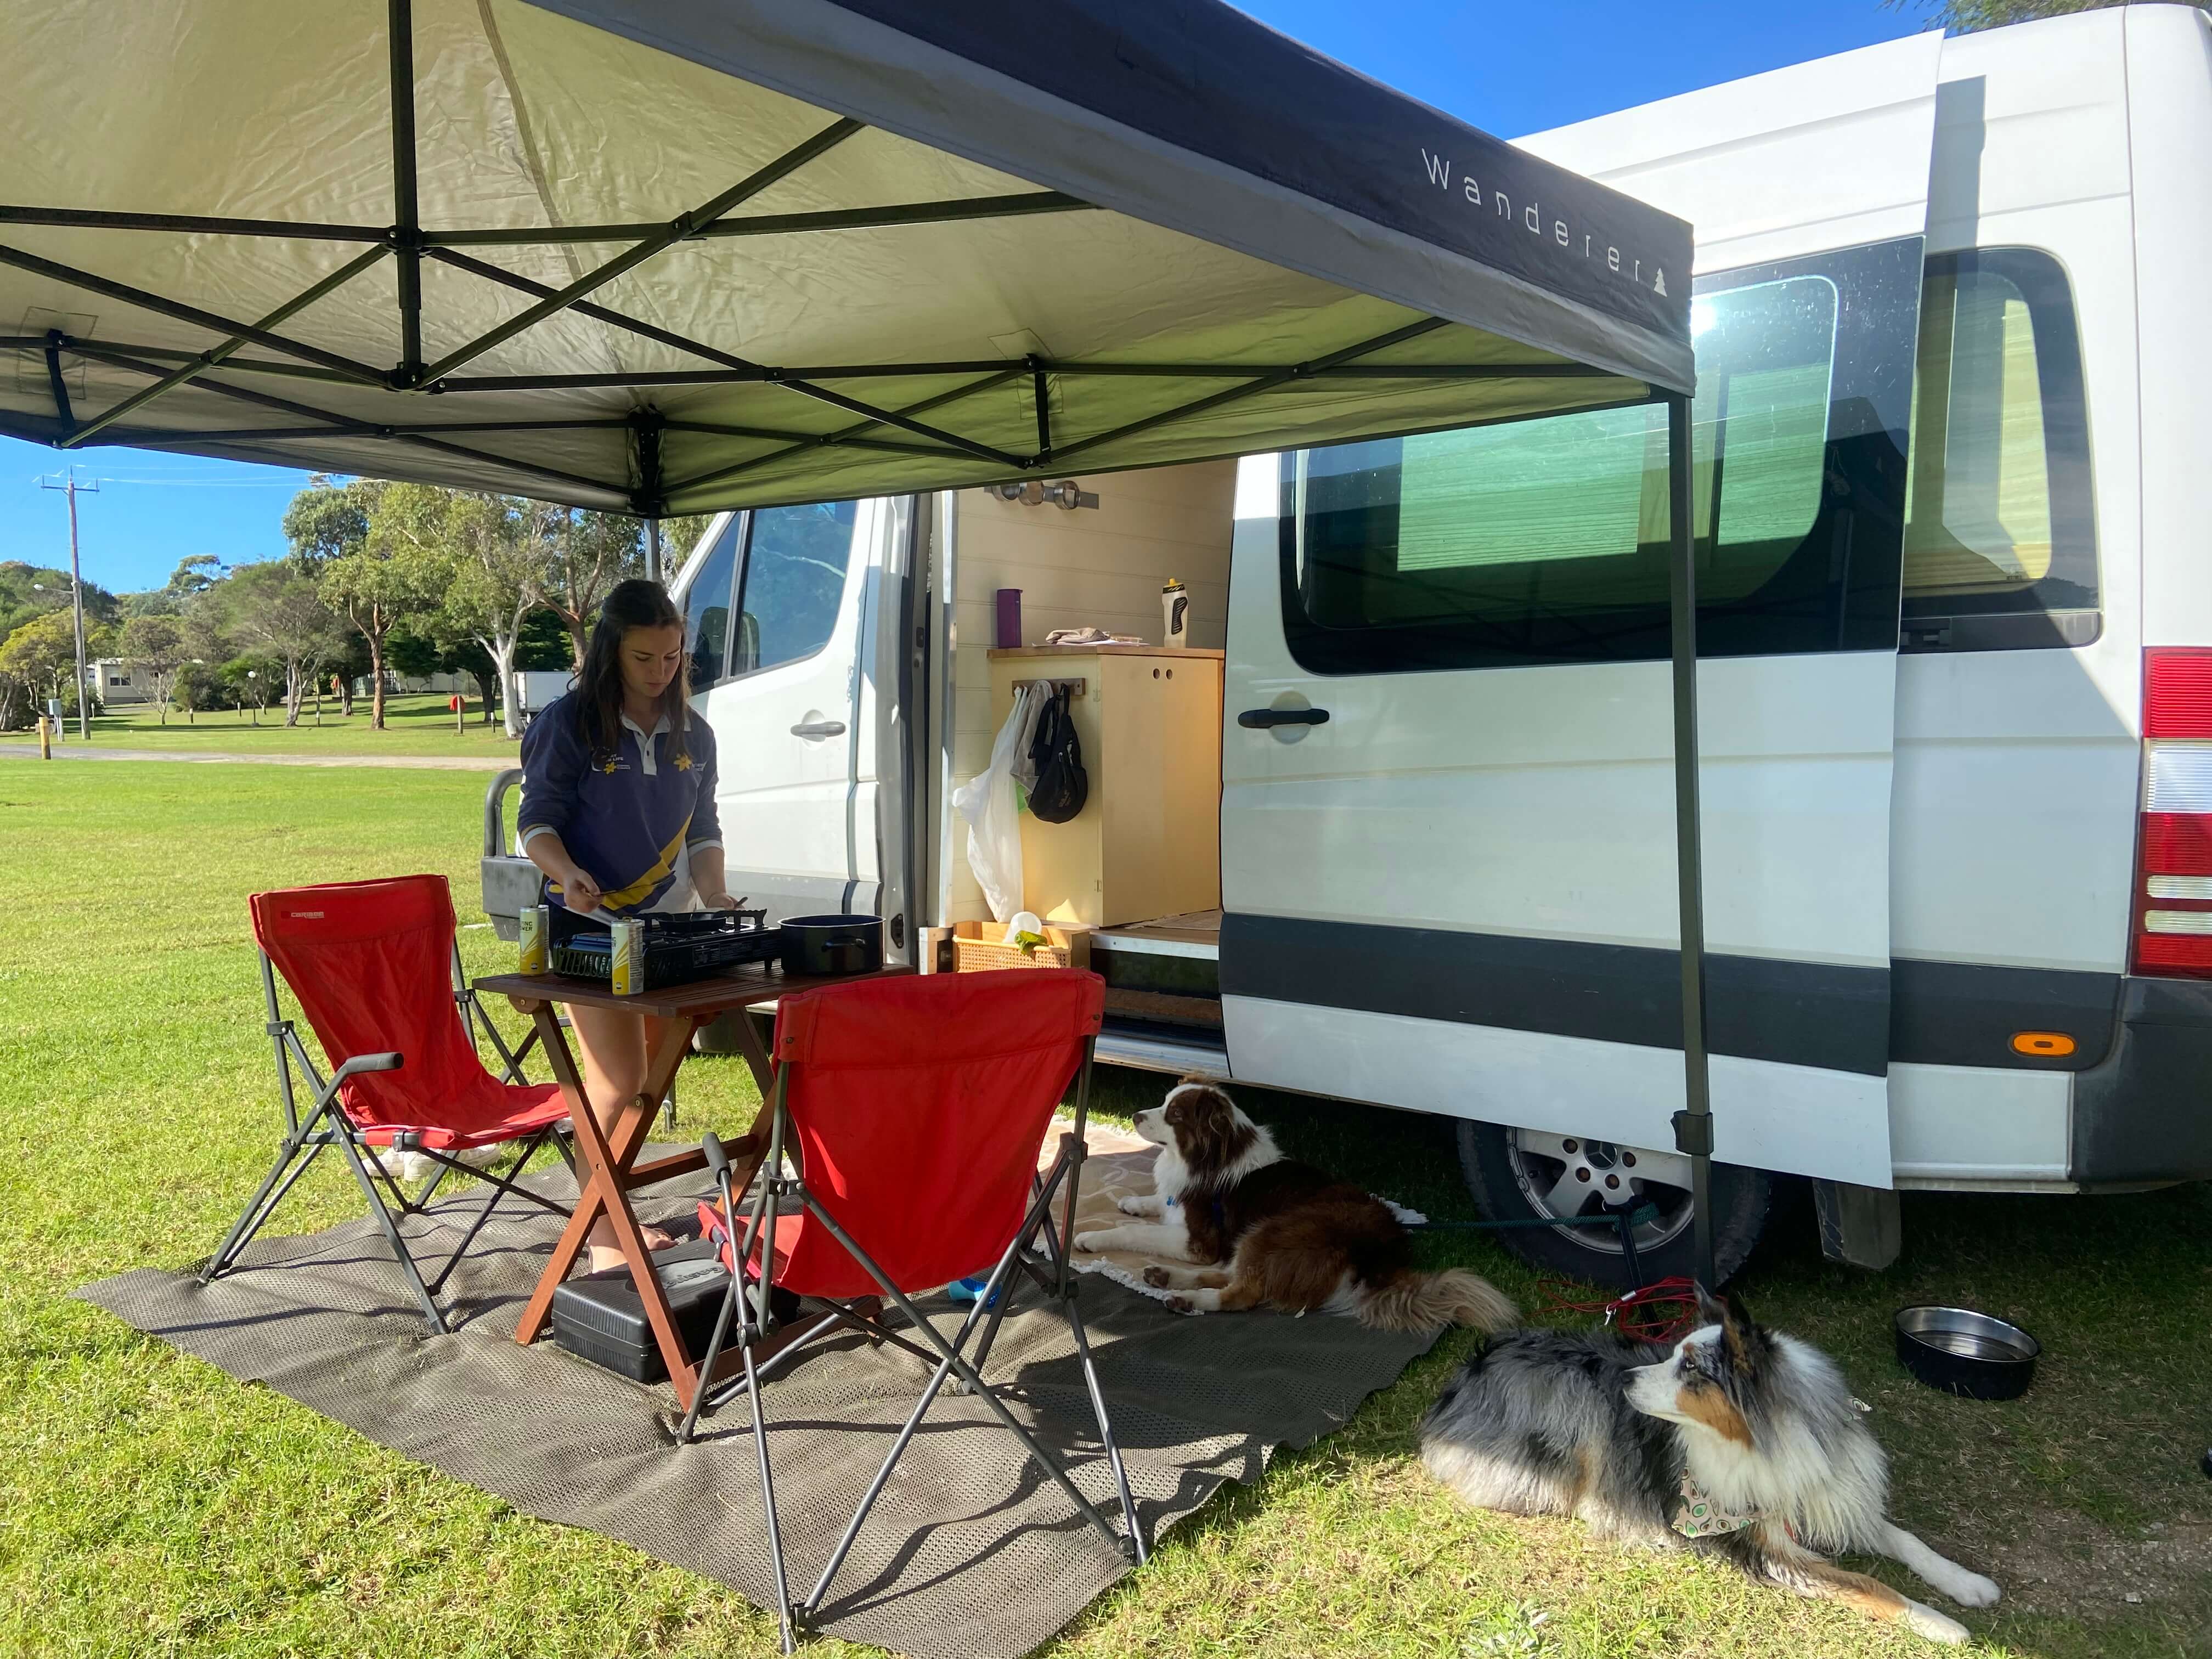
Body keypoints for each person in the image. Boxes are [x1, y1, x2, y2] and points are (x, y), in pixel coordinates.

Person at [516, 578, 736, 1272]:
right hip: (587, 929)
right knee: (618, 1083)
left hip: (667, 934)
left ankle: (610, 1215)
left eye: (671, 657)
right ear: (611, 652)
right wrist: (566, 873)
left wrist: (717, 893)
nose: (659, 672)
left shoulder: (696, 734)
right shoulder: (568, 722)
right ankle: (606, 1240)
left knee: (644, 1083)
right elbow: (535, 823)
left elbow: (703, 829)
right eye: (644, 658)